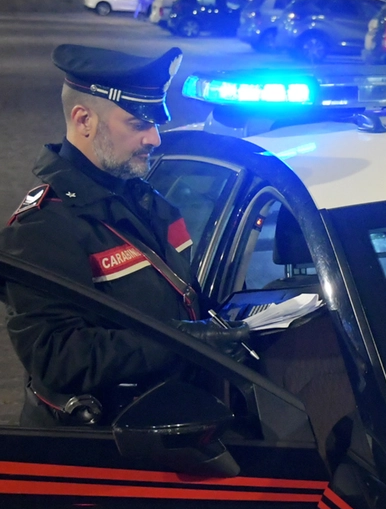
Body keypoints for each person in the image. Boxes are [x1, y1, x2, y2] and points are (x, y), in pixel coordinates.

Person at [0, 44, 250, 426]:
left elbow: (181, 296)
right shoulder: (42, 227)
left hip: (167, 421)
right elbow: (55, 356)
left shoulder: (147, 199)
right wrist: (178, 342)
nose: (155, 139)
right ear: (84, 120)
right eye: (139, 125)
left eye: (155, 125)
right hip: (104, 451)